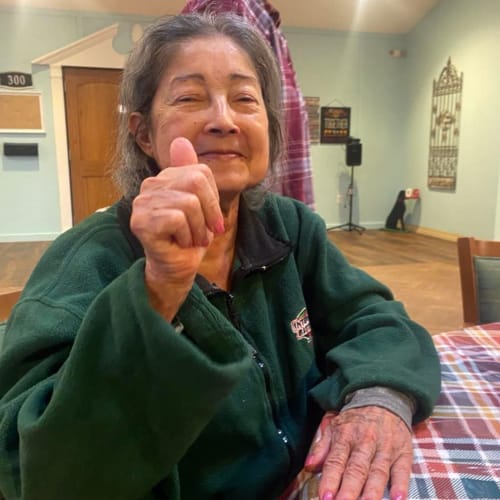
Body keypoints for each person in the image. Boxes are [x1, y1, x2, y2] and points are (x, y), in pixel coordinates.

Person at [0, 13, 440, 500]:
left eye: (245, 99)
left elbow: (376, 319)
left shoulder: (289, 227)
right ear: (143, 133)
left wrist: (376, 401)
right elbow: (35, 474)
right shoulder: (88, 260)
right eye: (189, 97)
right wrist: (159, 288)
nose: (224, 120)